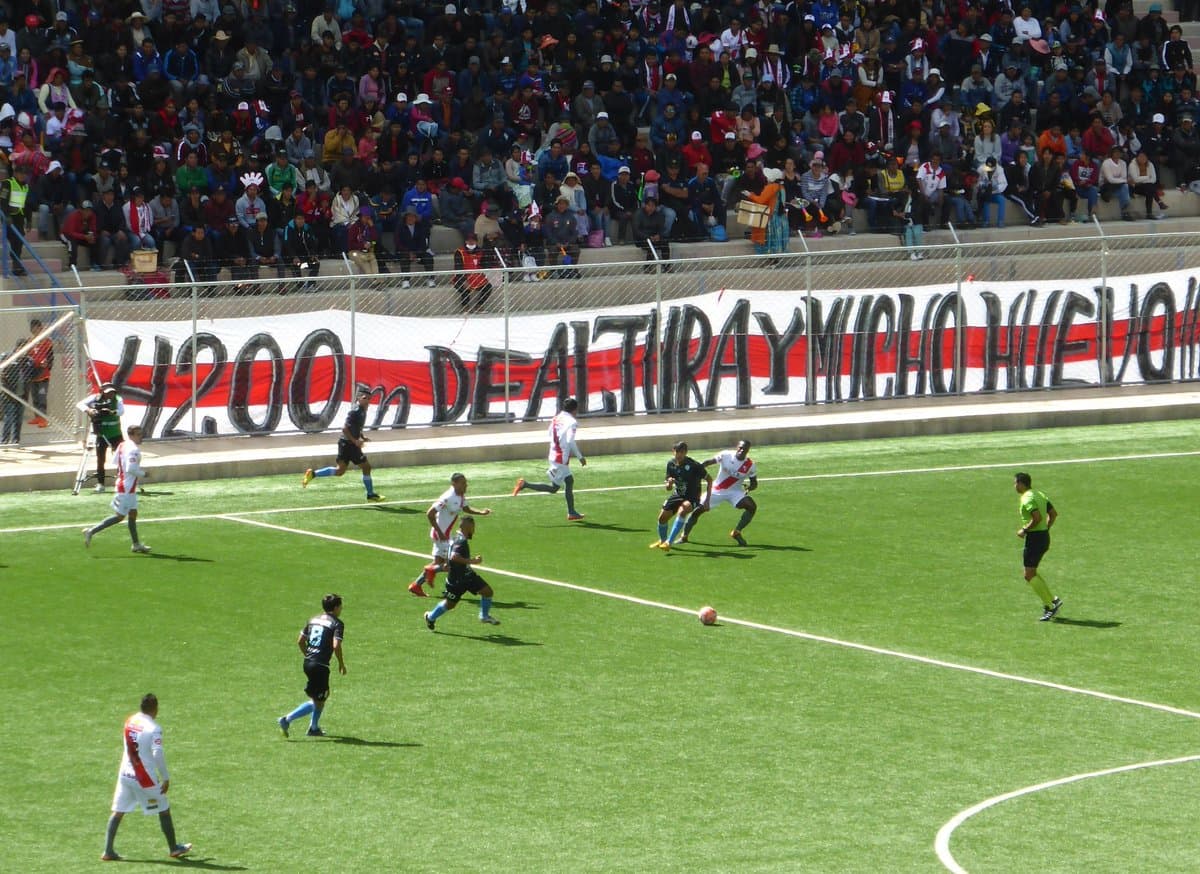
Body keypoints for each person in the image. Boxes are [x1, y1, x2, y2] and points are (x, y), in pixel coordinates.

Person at [101, 693, 192, 862]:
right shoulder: (154, 728)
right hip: (144, 777)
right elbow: (157, 753)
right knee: (164, 809)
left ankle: (108, 850)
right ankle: (173, 848)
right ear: (155, 708)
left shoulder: (130, 721)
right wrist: (165, 777)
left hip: (125, 774)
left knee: (118, 811)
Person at [409, 472, 493, 597]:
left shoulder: (461, 496)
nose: (466, 485)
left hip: (445, 535)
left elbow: (466, 509)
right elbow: (430, 514)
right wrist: (440, 532)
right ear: (454, 483)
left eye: (466, 483)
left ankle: (416, 585)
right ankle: (433, 573)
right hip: (441, 535)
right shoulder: (447, 497)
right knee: (453, 563)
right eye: (463, 483)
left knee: (439, 561)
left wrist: (481, 512)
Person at [278, 593, 346, 738]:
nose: (341, 609)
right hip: (320, 665)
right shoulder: (337, 623)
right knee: (318, 700)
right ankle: (287, 719)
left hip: (308, 663)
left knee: (321, 696)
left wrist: (309, 657)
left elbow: (300, 641)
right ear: (335, 608)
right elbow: (336, 645)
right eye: (340, 606)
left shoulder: (313, 620)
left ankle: (313, 728)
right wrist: (341, 663)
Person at [512, 396, 587, 521]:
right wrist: (580, 457)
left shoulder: (556, 418)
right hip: (560, 458)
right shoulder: (572, 422)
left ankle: (571, 512)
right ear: (574, 410)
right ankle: (525, 484)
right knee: (554, 488)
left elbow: (549, 433)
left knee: (569, 481)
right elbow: (570, 441)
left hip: (553, 453)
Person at [301, 389, 383, 502]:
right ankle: (370, 494)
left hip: (346, 444)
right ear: (358, 398)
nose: (367, 401)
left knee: (340, 471)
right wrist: (355, 441)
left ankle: (313, 474)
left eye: (369, 399)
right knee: (366, 467)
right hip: (349, 445)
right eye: (365, 398)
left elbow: (356, 427)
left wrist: (362, 437)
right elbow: (345, 429)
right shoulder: (355, 411)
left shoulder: (363, 410)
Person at [423, 516, 501, 629]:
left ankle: (484, 616)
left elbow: (450, 557)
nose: (473, 530)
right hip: (457, 580)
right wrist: (472, 561)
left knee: (487, 592)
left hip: (467, 576)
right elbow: (454, 556)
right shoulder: (461, 540)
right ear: (468, 526)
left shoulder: (455, 539)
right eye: (473, 527)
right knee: (450, 604)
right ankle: (430, 617)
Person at [83, 425, 151, 554]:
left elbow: (116, 463)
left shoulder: (122, 445)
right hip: (126, 488)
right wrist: (144, 474)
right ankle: (91, 531)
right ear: (131, 435)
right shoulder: (134, 450)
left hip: (125, 485)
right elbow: (130, 469)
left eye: (141, 434)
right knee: (120, 517)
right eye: (138, 434)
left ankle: (136, 544)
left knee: (133, 513)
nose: (141, 437)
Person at [682, 439, 758, 545]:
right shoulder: (726, 455)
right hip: (717, 489)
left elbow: (754, 483)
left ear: (748, 450)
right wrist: (698, 469)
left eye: (744, 449)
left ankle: (736, 532)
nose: (742, 450)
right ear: (737, 447)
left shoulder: (750, 465)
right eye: (740, 448)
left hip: (734, 492)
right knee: (698, 510)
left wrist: (749, 488)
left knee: (752, 506)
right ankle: (684, 536)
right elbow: (709, 462)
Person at [1014, 472, 1063, 621]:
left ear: (1022, 484)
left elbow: (1037, 517)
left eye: (1015, 483)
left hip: (1034, 538)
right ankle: (1053, 600)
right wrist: (1045, 529)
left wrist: (1025, 530)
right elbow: (1053, 514)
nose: (1014, 486)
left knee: (1028, 574)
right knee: (1032, 572)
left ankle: (1050, 606)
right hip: (1043, 537)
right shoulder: (1040, 494)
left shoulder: (1027, 498)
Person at [650, 441, 712, 551]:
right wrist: (669, 483)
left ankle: (669, 542)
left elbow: (709, 479)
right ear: (673, 451)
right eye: (677, 452)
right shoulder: (671, 464)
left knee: (683, 510)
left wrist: (707, 500)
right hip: (678, 494)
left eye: (682, 452)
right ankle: (663, 540)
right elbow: (668, 488)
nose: (679, 454)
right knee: (662, 518)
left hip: (692, 497)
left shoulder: (694, 466)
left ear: (686, 452)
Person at [79, 381, 124, 492]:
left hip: (115, 433)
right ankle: (100, 483)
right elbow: (79, 404)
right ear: (102, 392)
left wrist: (111, 412)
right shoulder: (95, 398)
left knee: (121, 458)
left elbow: (121, 411)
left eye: (112, 392)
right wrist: (90, 410)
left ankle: (121, 481)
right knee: (100, 459)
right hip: (101, 433)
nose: (111, 395)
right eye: (108, 392)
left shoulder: (118, 399)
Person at [25, 318, 52, 427]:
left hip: (43, 375)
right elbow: (27, 356)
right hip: (33, 374)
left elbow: (51, 357)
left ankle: (43, 419)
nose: (34, 329)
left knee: (42, 397)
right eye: (32, 327)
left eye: (36, 327)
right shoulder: (29, 342)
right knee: (35, 398)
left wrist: (48, 364)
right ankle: (37, 417)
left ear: (41, 328)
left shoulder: (47, 342)